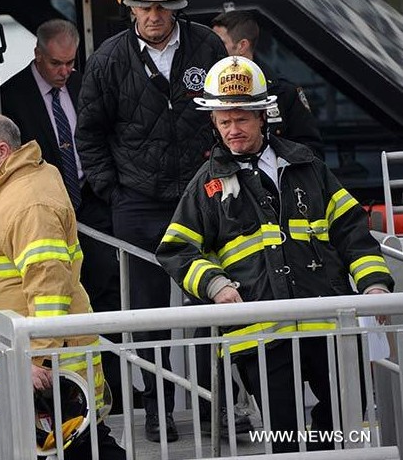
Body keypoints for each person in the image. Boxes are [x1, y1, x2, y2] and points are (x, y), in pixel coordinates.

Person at [156, 56, 394, 452]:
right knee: (282, 436)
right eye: (224, 121)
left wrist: (373, 284)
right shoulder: (208, 184)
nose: (233, 130)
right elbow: (176, 249)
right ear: (213, 124)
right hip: (260, 333)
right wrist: (215, 285)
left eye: (242, 120)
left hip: (326, 322)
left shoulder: (306, 165)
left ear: (263, 116)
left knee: (341, 420)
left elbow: (351, 228)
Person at [75, 0, 227, 442]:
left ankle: (213, 407)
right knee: (146, 317)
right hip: (137, 203)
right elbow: (89, 136)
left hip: (202, 195)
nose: (155, 15)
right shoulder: (107, 61)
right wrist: (114, 192)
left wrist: (223, 175)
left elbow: (232, 115)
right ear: (130, 6)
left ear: (178, 5)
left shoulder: (208, 49)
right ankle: (156, 411)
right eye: (146, 6)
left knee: (210, 305)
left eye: (163, 6)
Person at [0, 113, 125, 459]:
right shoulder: (2, 191)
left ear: (2, 150)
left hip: (35, 369)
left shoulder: (28, 200)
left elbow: (48, 286)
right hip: (18, 363)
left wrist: (36, 359)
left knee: (78, 449)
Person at [0, 18, 126, 412]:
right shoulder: (11, 96)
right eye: (57, 64)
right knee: (62, 297)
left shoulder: (82, 83)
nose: (65, 71)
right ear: (38, 55)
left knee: (107, 293)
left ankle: (118, 389)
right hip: (47, 212)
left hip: (90, 205)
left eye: (71, 63)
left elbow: (102, 135)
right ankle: (71, 394)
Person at [211, 10, 324, 158]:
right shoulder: (209, 92)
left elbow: (311, 151)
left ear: (242, 45)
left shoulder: (283, 91)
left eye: (219, 43)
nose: (212, 48)